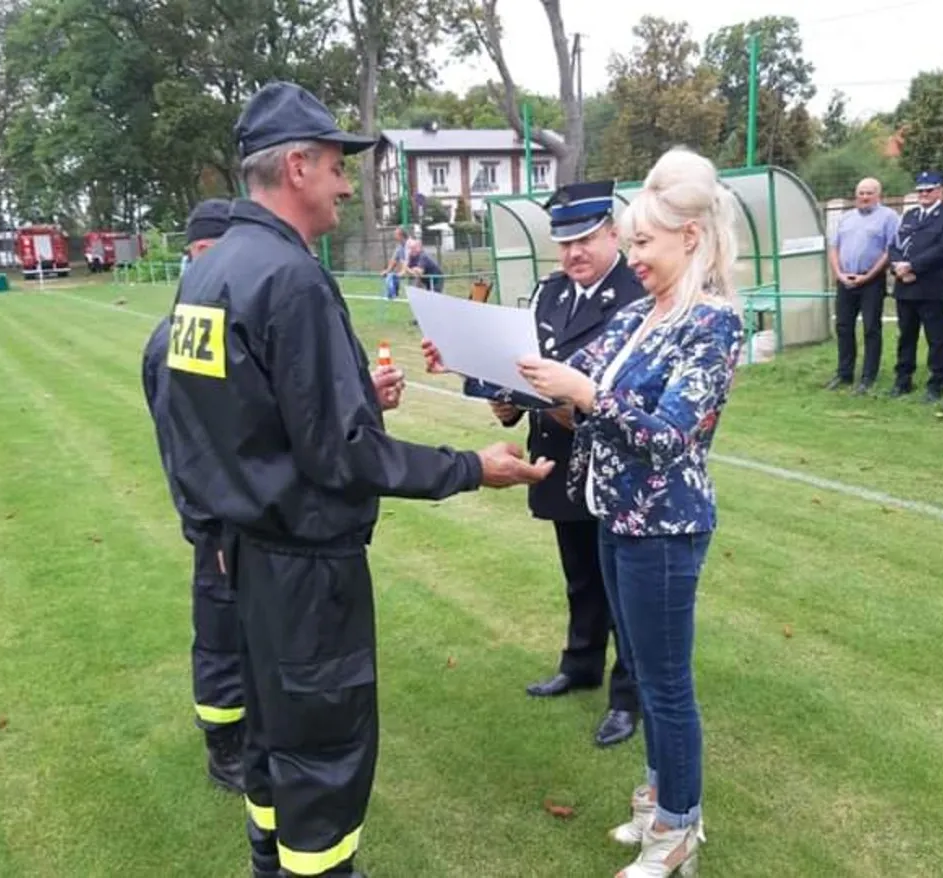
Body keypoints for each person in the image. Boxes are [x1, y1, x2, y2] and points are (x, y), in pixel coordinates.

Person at [164, 81, 553, 878]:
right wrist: (472, 468)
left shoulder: (207, 274)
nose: (347, 186)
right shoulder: (290, 278)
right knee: (320, 751)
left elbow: (219, 421)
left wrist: (221, 524)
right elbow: (343, 456)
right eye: (339, 166)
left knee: (271, 733)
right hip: (304, 568)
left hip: (244, 555)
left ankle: (269, 862)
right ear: (298, 167)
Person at [517, 147, 744, 878]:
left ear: (691, 236)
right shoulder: (640, 316)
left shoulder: (714, 323)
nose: (633, 256)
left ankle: (678, 831)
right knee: (644, 674)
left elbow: (670, 435)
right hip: (614, 517)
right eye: (633, 241)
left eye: (643, 242)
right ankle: (658, 801)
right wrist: (500, 374)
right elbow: (575, 395)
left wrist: (583, 394)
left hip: (666, 527)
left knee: (667, 686)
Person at [423, 180, 643, 748]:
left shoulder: (638, 295)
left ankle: (628, 695)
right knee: (580, 576)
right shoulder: (551, 294)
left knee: (624, 588)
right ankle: (581, 663)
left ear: (613, 234)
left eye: (586, 240)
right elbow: (528, 368)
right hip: (560, 458)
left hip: (615, 464)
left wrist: (564, 402)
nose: (574, 253)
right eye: (565, 243)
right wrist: (505, 404)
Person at [141, 198, 244, 793]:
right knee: (221, 634)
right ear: (203, 252)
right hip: (218, 523)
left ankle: (246, 727)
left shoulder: (211, 326)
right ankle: (224, 746)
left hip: (239, 516)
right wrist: (210, 528)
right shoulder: (180, 340)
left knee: (246, 631)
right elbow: (188, 450)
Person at [887, 171, 943, 402]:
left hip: (931, 289)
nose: (924, 194)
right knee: (906, 338)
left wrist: (912, 267)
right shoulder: (910, 215)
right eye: (920, 190)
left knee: (936, 340)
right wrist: (897, 268)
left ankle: (937, 384)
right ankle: (903, 381)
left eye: (929, 190)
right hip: (905, 287)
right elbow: (895, 245)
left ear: (940, 191)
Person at [825, 178, 899, 394]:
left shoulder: (889, 217)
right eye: (861, 193)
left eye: (869, 193)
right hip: (845, 280)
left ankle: (868, 376)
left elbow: (890, 250)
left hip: (871, 281)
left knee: (871, 328)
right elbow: (834, 248)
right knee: (843, 327)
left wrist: (869, 276)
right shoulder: (846, 218)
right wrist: (839, 274)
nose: (864, 197)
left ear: (878, 195)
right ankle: (844, 373)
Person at [382, 227, 407, 299]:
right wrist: (387, 271)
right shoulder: (399, 247)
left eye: (396, 235)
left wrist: (403, 271)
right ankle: (393, 295)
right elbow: (394, 260)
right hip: (408, 272)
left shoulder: (410, 245)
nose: (394, 237)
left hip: (416, 272)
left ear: (401, 236)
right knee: (392, 276)